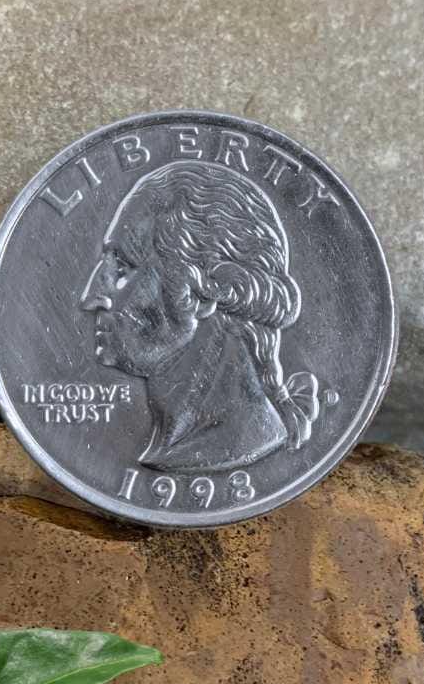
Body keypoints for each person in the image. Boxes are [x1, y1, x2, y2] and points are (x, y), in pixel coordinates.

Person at [80, 159, 319, 473]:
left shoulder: (231, 442)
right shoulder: (172, 442)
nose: (90, 298)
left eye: (123, 268)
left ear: (206, 291)